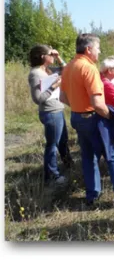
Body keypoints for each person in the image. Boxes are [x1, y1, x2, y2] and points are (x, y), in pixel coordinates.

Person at [60, 33, 114, 206]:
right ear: (88, 49)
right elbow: (98, 103)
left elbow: (63, 97)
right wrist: (111, 116)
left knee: (89, 157)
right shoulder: (89, 68)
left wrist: (78, 107)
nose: (99, 52)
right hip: (93, 118)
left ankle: (92, 195)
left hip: (77, 117)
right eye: (98, 48)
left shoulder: (68, 67)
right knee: (113, 156)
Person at [28, 45, 72, 186]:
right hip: (50, 112)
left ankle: (68, 164)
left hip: (57, 110)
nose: (52, 56)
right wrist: (54, 86)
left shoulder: (46, 70)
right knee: (52, 145)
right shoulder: (36, 74)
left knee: (63, 141)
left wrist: (58, 56)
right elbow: (37, 99)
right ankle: (52, 176)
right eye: (50, 54)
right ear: (42, 57)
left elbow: (66, 70)